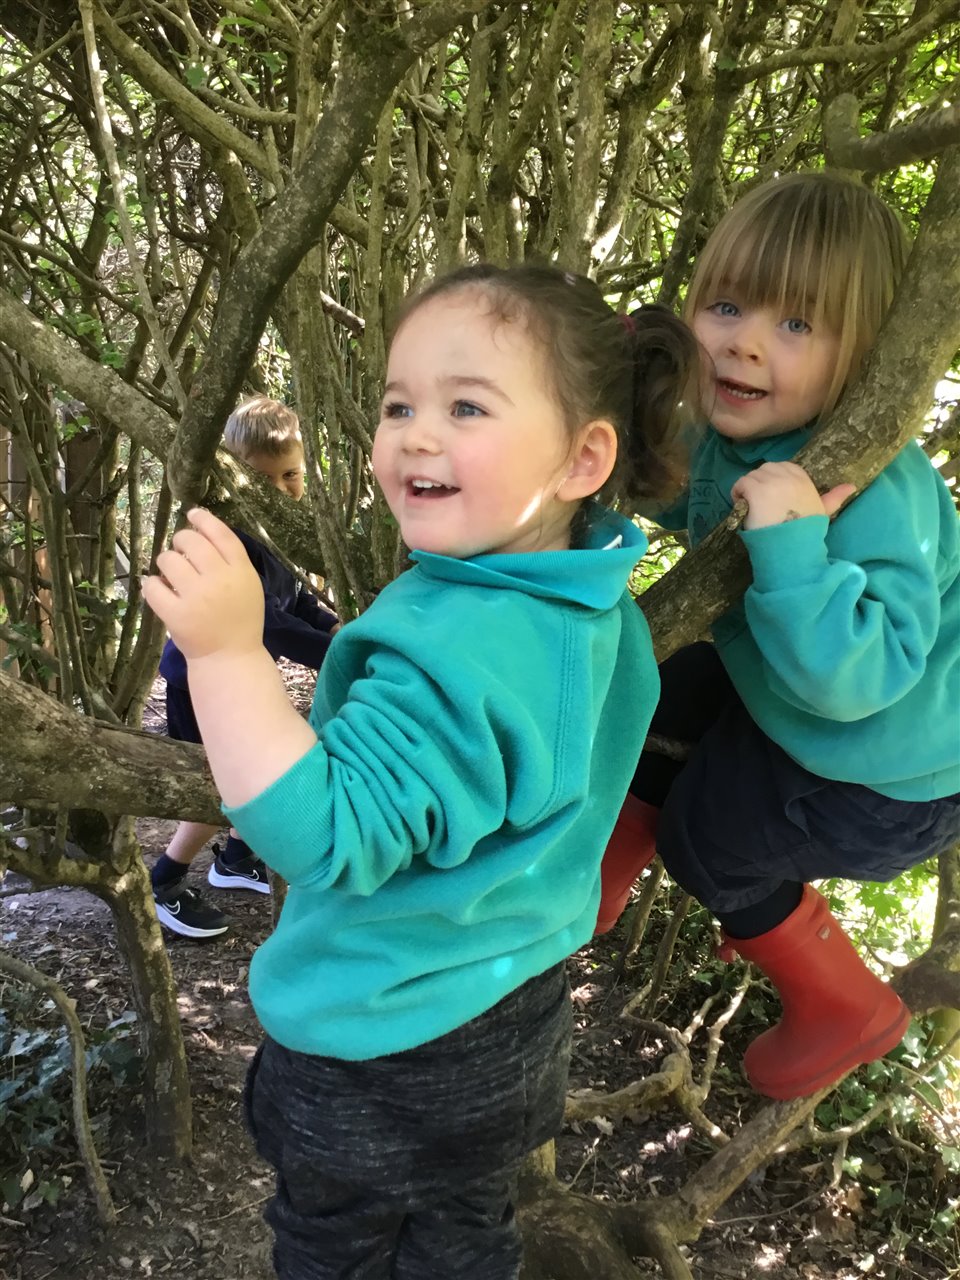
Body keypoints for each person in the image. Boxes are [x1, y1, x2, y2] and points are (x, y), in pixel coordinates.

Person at [142, 264, 697, 1279]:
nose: (416, 435)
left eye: (466, 406)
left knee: (334, 1250)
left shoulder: (466, 645)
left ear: (583, 457)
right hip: (515, 1019)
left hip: (381, 1046)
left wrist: (223, 654)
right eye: (399, 406)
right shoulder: (591, 602)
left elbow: (324, 833)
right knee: (464, 1239)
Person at [597, 172, 960, 1101]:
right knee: (669, 679)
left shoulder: (875, 486)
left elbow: (862, 677)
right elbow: (676, 490)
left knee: (708, 839)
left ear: (865, 357)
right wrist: (615, 415)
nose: (744, 341)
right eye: (725, 306)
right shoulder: (736, 436)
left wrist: (795, 548)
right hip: (800, 713)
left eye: (796, 323)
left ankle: (843, 1004)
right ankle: (598, 872)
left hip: (883, 778)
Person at [151, 396, 339, 940]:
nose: (280, 490)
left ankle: (235, 858)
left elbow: (295, 601)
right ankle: (164, 879)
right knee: (218, 785)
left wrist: (334, 627)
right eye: (264, 480)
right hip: (199, 681)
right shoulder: (231, 541)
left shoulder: (273, 535)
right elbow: (269, 623)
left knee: (252, 767)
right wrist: (336, 654)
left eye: (291, 475)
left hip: (237, 678)